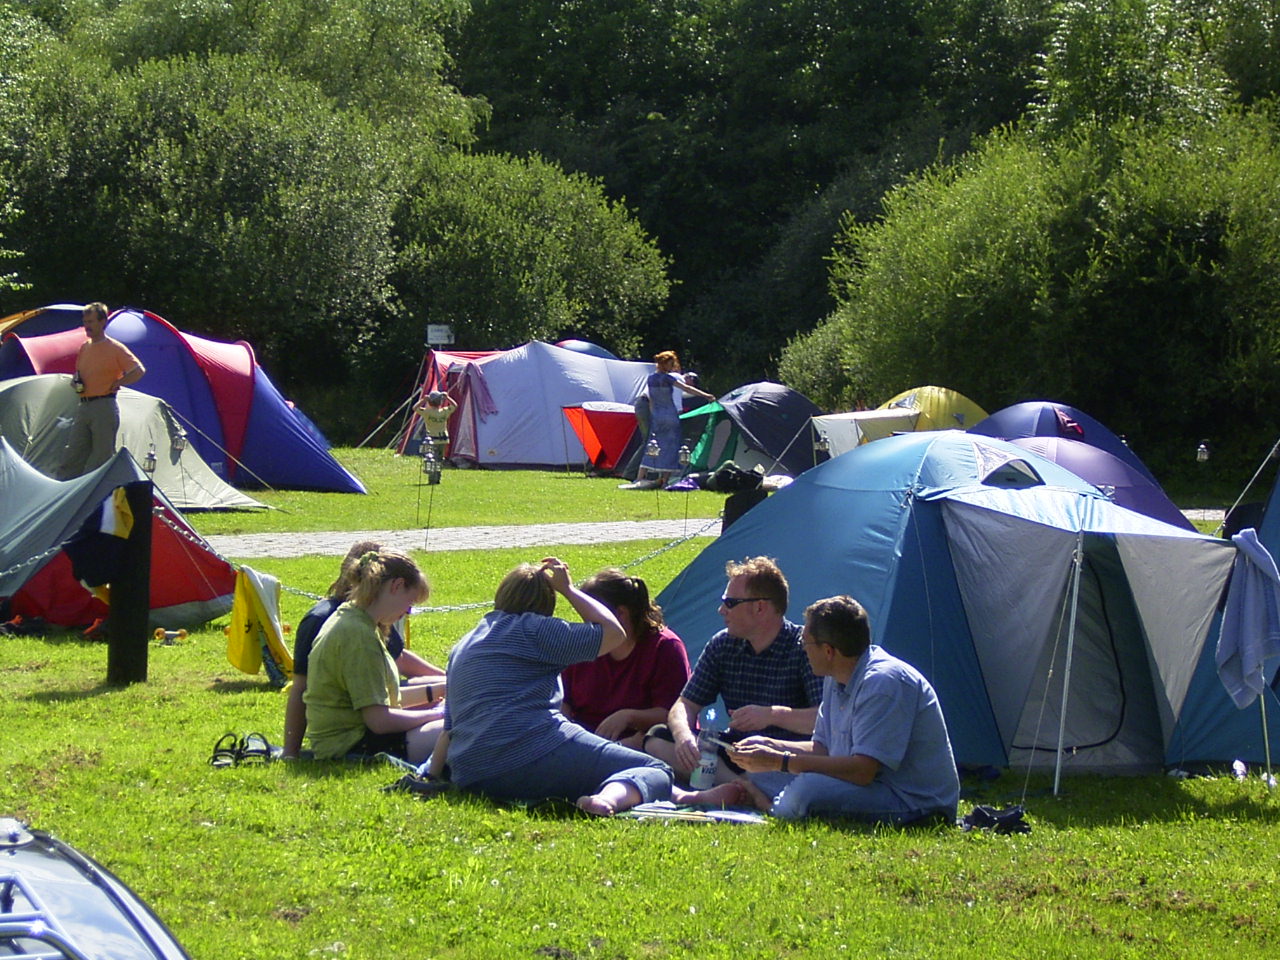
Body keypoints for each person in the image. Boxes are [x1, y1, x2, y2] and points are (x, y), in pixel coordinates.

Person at [428, 558, 745, 816]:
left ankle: (678, 798)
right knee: (655, 769)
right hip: (530, 752)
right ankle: (607, 801)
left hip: (471, 772)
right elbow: (614, 632)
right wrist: (568, 590)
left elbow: (449, 727)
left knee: (621, 760)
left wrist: (429, 776)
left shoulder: (465, 642)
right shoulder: (539, 631)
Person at [730, 595, 960, 824]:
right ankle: (778, 803)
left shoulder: (883, 683)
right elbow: (822, 749)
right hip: (866, 787)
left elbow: (863, 771)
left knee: (808, 788)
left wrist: (781, 760)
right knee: (763, 773)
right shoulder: (835, 677)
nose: (804, 650)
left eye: (806, 644)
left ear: (828, 651)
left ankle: (772, 809)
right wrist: (770, 746)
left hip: (911, 801)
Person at [644, 556, 822, 784]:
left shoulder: (804, 648)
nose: (721, 610)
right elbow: (685, 704)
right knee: (657, 738)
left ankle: (737, 786)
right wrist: (684, 736)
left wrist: (771, 715)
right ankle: (744, 788)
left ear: (760, 607)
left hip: (783, 757)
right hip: (735, 752)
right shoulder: (723, 644)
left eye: (730, 603)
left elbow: (824, 720)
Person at [283, 540, 446, 758]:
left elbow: (383, 698)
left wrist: (440, 691)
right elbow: (379, 721)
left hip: (350, 738)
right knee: (456, 730)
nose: (407, 612)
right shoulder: (358, 635)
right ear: (396, 586)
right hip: (352, 745)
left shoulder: (356, 618)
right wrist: (438, 715)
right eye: (409, 604)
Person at [561, 569, 691, 750]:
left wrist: (629, 716)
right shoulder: (585, 644)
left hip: (641, 746)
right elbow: (564, 701)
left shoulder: (664, 647)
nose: (586, 622)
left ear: (621, 613)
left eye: (591, 614)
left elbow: (675, 714)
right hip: (583, 744)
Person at [59, 302, 146, 479]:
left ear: (102, 322)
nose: (87, 326)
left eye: (91, 321)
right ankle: (65, 494)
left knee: (101, 456)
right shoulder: (84, 347)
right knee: (73, 453)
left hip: (104, 405)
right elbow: (79, 373)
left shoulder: (114, 348)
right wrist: (76, 382)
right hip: (84, 405)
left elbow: (139, 371)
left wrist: (119, 382)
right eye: (85, 321)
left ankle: (98, 498)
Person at [630, 350, 713, 488]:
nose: (672, 366)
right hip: (670, 415)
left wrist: (653, 414)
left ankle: (639, 478)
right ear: (665, 364)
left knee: (652, 444)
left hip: (657, 416)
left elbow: (651, 400)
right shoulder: (669, 379)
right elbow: (687, 388)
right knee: (671, 446)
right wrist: (706, 395)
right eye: (670, 364)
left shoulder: (651, 379)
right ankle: (665, 481)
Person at [414, 390, 458, 462]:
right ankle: (438, 469)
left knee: (431, 457)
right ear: (441, 402)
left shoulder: (427, 412)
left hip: (432, 439)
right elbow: (455, 405)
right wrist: (447, 397)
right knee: (439, 458)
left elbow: (415, 408)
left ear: (429, 402)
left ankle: (432, 470)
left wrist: (423, 400)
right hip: (444, 439)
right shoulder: (444, 411)